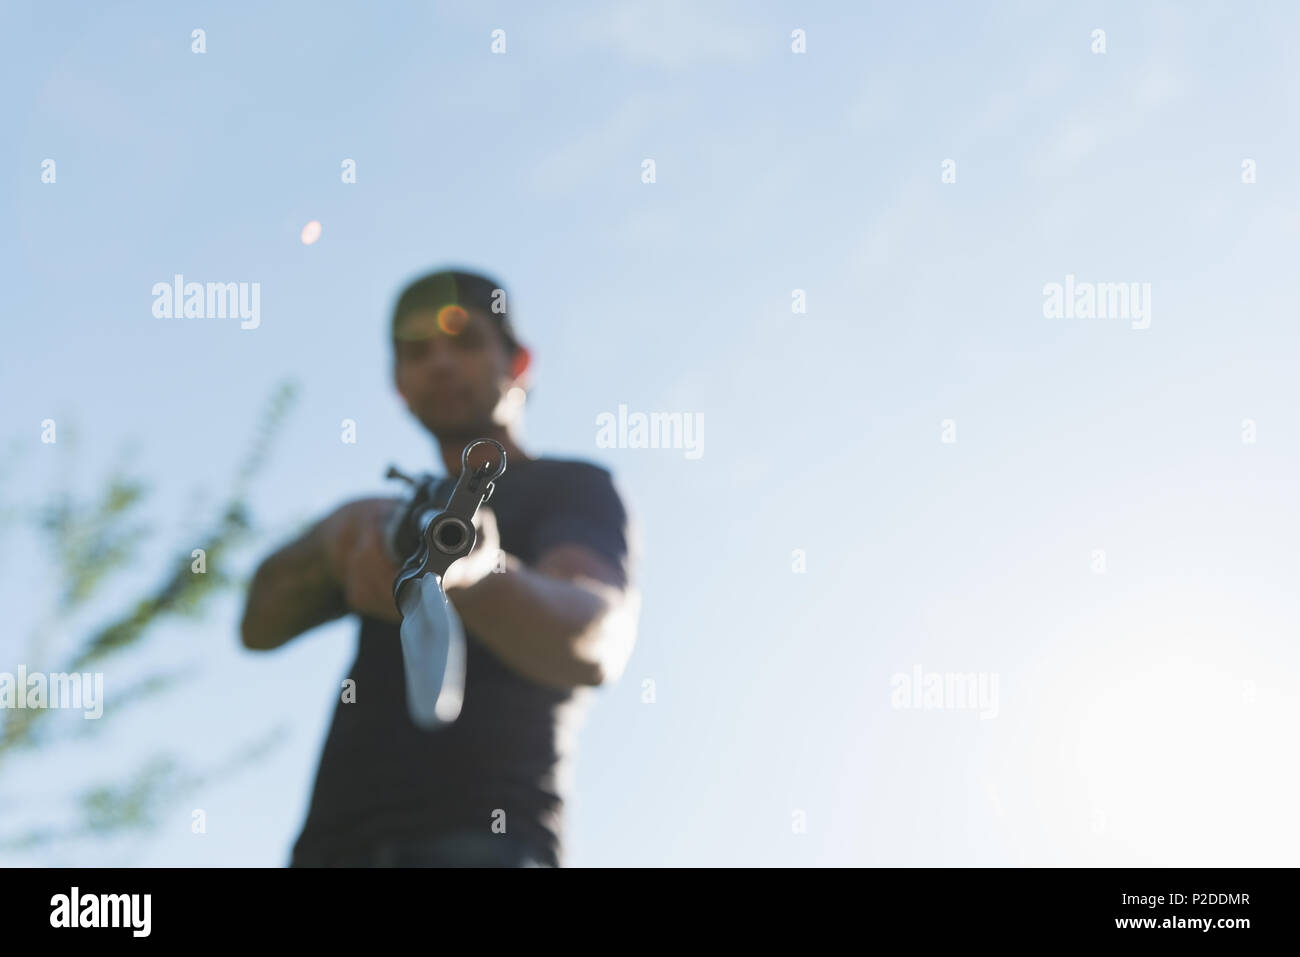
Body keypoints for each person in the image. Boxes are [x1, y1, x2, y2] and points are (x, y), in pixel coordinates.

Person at [239, 268, 640, 867]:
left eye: (467, 341)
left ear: (520, 362)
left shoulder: (572, 488)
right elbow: (256, 626)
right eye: (417, 352)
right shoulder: (373, 523)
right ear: (398, 384)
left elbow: (596, 639)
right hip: (330, 850)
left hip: (489, 840)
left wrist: (477, 574)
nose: (442, 364)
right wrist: (333, 537)